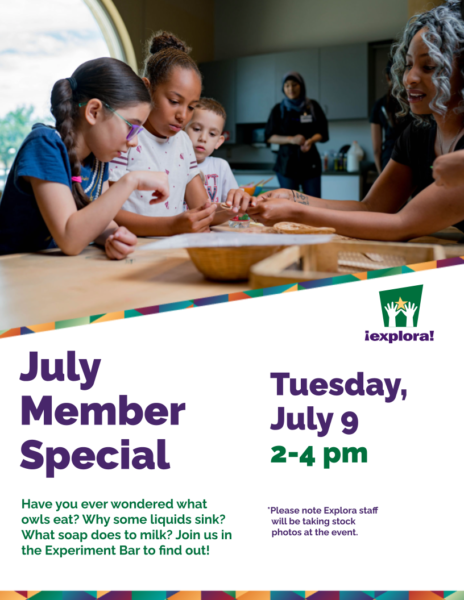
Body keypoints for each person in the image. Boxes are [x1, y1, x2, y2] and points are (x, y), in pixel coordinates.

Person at [248, 0, 464, 241]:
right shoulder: (417, 134)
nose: (409, 78)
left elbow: (401, 224)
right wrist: (293, 197)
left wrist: (296, 212)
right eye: (410, 65)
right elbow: (371, 208)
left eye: (429, 66)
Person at [0, 58, 169, 258]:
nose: (134, 142)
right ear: (93, 111)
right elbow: (69, 239)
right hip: (14, 276)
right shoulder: (44, 145)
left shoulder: (98, 158)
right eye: (131, 127)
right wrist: (132, 180)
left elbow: (102, 222)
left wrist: (113, 235)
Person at [109, 32, 251, 236]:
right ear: (147, 88)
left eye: (192, 107)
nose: (183, 115)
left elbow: (203, 209)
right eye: (174, 102)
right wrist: (171, 226)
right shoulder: (126, 138)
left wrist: (236, 205)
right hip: (132, 249)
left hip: (172, 248)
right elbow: (108, 214)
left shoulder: (183, 141)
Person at [265, 72, 329, 198]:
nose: (291, 89)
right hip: (286, 164)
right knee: (289, 205)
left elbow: (323, 132)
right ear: (283, 88)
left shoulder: (312, 106)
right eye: (287, 86)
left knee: (314, 203)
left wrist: (310, 140)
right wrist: (291, 139)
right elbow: (269, 136)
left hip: (310, 163)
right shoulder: (278, 109)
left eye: (294, 85)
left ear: (301, 86)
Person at [184, 97, 238, 203]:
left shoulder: (221, 167)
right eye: (196, 129)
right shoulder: (172, 164)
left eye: (212, 134)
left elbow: (233, 203)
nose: (203, 138)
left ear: (218, 141)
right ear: (182, 130)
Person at [370, 60, 411, 172]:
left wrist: (380, 173)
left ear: (387, 77)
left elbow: (376, 149)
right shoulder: (412, 102)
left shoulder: (378, 105)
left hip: (389, 159)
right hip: (412, 156)